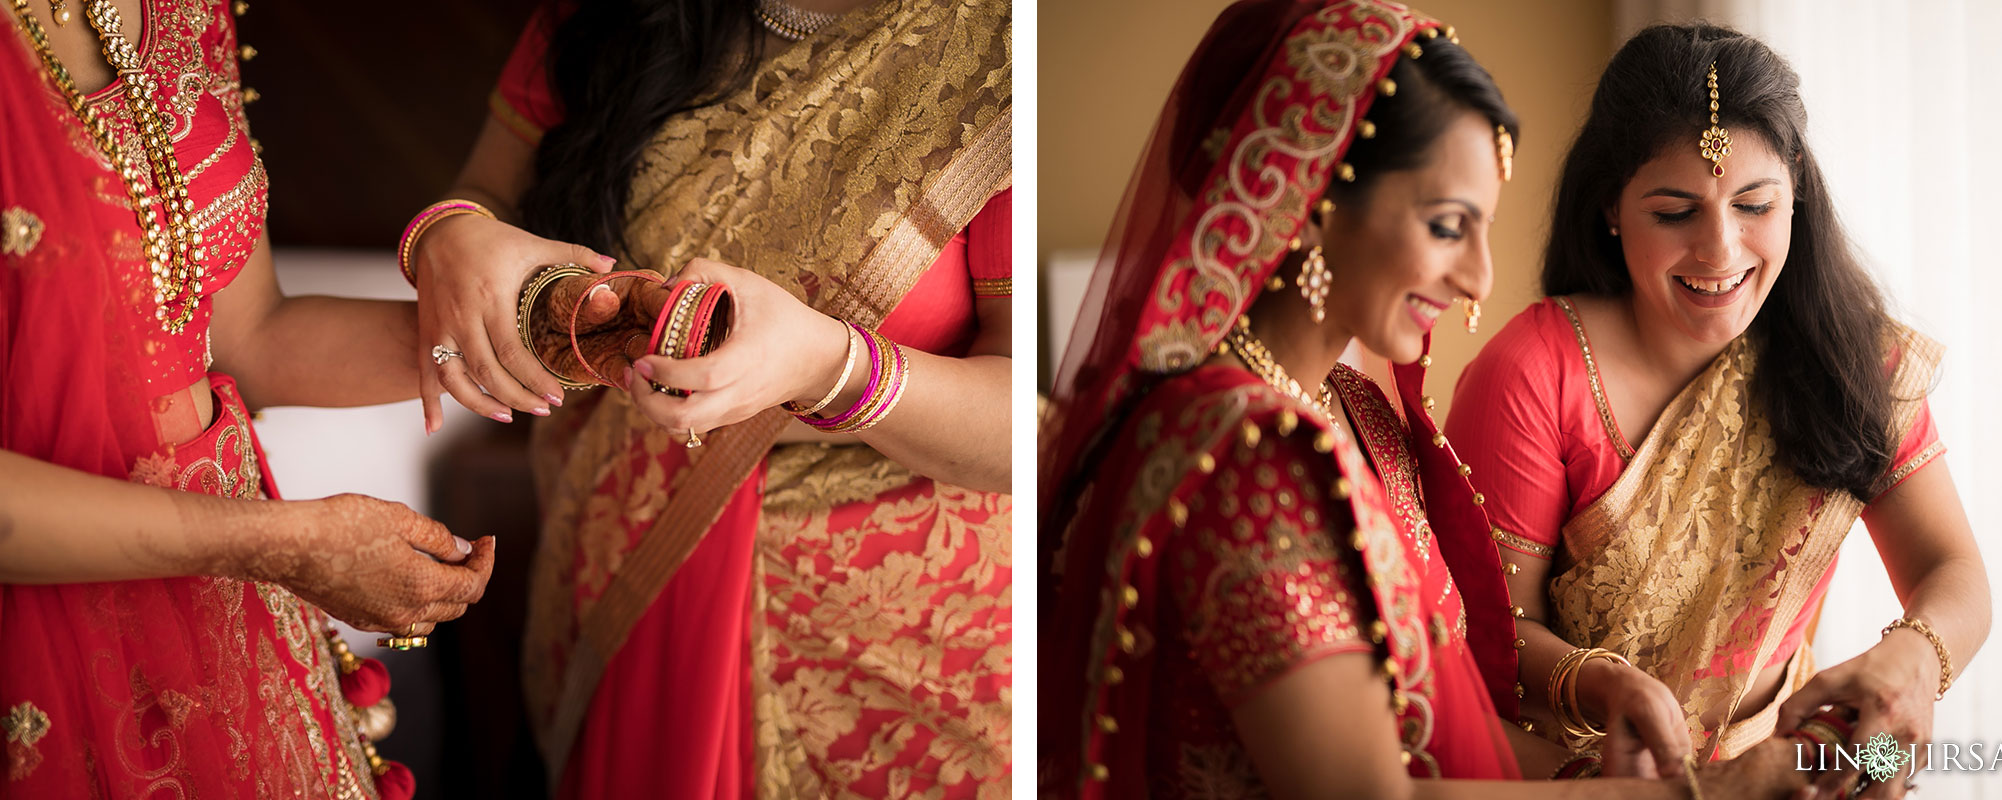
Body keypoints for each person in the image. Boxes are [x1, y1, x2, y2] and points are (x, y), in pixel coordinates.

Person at [1039, 2, 1819, 798]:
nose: (1478, 277)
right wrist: (1703, 793)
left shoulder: (1357, 413)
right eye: (1448, 226)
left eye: (1482, 229)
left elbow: (1443, 740)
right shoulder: (1249, 460)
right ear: (1309, 200)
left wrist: (1626, 743)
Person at [404, 0, 1012, 796]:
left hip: (899, 661)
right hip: (618, 565)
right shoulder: (605, 16)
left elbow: (1020, 431)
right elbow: (485, 198)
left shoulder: (998, 52)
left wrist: (828, 367)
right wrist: (447, 237)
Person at [1446, 23, 1991, 798]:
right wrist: (1605, 686)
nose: (1721, 249)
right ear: (1611, 205)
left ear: (1796, 188)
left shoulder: (1851, 359)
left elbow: (1955, 571)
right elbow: (1486, 649)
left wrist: (1914, 658)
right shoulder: (1534, 376)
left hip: (1794, 773)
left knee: (1923, 765)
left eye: (1754, 204)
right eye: (1675, 213)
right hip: (1587, 783)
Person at [0, 1, 496, 797]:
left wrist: (541, 331)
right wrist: (285, 545)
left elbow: (251, 334)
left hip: (218, 622)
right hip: (43, 638)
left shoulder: (185, 11)